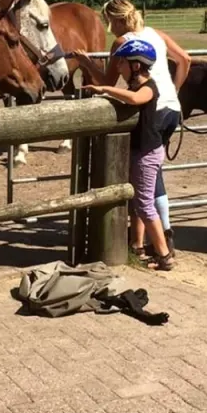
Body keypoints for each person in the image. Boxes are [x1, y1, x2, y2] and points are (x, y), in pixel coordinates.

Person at [70, 0, 191, 256]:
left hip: (151, 110)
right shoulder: (156, 34)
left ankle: (163, 240)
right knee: (151, 172)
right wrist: (175, 90)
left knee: (146, 175)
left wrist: (87, 63)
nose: (109, 27)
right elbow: (185, 59)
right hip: (171, 107)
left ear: (117, 20)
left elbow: (107, 80)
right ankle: (140, 241)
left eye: (109, 21)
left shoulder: (122, 42)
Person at [82, 39, 175, 271]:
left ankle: (164, 255)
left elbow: (135, 99)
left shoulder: (149, 87)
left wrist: (105, 89)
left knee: (144, 204)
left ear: (136, 65)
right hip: (141, 151)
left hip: (147, 153)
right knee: (138, 203)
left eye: (121, 62)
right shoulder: (134, 87)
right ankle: (138, 247)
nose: (118, 67)